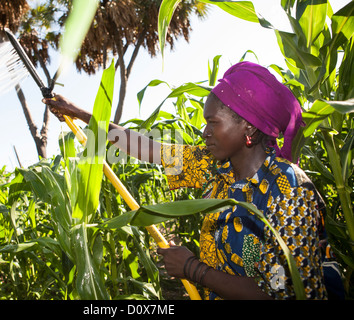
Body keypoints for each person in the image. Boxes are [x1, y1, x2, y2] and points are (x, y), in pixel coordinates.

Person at [44, 61, 330, 300]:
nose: (204, 132)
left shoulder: (290, 190)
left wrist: (193, 269)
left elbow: (285, 295)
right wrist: (80, 114)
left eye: (213, 122)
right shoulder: (215, 167)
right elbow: (147, 148)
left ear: (249, 128)